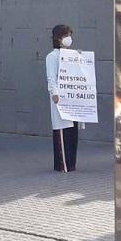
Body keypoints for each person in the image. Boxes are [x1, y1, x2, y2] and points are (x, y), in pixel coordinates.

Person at [46, 24, 79, 172]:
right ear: (58, 38)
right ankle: (62, 164)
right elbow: (51, 77)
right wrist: (54, 93)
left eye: (69, 35)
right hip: (60, 99)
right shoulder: (52, 56)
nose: (68, 38)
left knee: (73, 131)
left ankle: (72, 163)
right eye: (66, 35)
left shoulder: (72, 55)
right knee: (62, 129)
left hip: (73, 99)